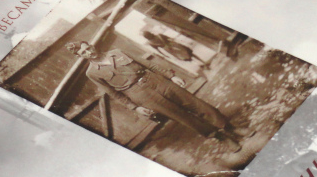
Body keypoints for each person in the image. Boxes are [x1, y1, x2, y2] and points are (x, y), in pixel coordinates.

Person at [66, 41, 252, 147]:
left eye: (88, 47)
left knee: (197, 105)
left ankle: (230, 128)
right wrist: (135, 108)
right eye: (84, 52)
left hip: (157, 81)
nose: (89, 52)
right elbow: (114, 94)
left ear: (91, 46)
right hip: (140, 94)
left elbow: (149, 64)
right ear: (81, 56)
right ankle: (222, 138)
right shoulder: (92, 73)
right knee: (182, 117)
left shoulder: (117, 52)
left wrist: (171, 76)